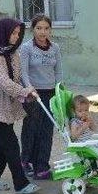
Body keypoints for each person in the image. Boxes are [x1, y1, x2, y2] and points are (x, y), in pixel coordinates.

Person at [0, 18, 40, 194]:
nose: (16, 36)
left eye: (18, 33)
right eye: (13, 33)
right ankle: (20, 184)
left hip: (10, 103)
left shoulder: (13, 54)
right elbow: (4, 82)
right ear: (3, 33)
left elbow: (19, 77)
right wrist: (23, 92)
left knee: (0, 144)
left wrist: (29, 89)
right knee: (11, 144)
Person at [20, 14, 63, 180]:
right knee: (32, 129)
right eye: (39, 28)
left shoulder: (55, 48)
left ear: (50, 30)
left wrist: (60, 90)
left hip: (51, 93)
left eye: (46, 28)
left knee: (47, 130)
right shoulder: (26, 48)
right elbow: (23, 72)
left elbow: (58, 71)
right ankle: (26, 162)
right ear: (33, 30)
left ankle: (42, 167)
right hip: (33, 94)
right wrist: (28, 88)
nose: (42, 32)